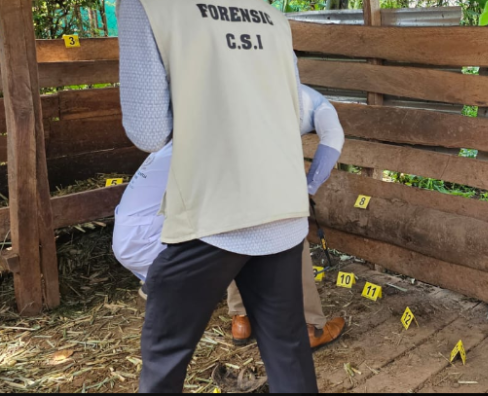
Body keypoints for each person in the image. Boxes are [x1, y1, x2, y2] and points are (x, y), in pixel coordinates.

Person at [117, 0, 317, 393]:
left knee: (164, 357)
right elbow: (292, 109)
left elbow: (147, 133)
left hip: (213, 215)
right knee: (288, 350)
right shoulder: (267, 12)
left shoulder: (147, 3)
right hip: (281, 210)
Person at [113, 85, 346, 350]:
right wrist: (307, 187)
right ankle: (309, 327)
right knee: (290, 230)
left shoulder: (237, 92)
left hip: (144, 221)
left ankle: (241, 318)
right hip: (167, 229)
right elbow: (332, 139)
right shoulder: (319, 105)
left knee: (234, 227)